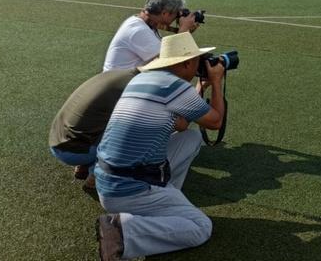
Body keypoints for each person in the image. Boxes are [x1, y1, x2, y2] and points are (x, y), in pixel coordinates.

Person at [94, 32, 225, 260]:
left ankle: (163, 203)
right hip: (129, 188)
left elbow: (182, 124)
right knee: (201, 227)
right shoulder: (175, 88)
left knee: (191, 139)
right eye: (196, 61)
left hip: (108, 180)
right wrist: (215, 82)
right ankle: (122, 232)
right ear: (186, 63)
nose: (198, 66)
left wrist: (199, 87)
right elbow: (215, 122)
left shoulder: (142, 80)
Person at [49, 69, 139, 189]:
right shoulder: (137, 88)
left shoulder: (120, 74)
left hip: (57, 140)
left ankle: (84, 166)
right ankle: (96, 175)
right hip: (74, 151)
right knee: (139, 129)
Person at [103, 0, 199, 72]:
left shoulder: (143, 22)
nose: (176, 18)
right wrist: (183, 29)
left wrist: (183, 31)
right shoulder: (138, 30)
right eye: (175, 14)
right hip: (118, 87)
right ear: (165, 13)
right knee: (177, 70)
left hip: (124, 81)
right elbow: (168, 62)